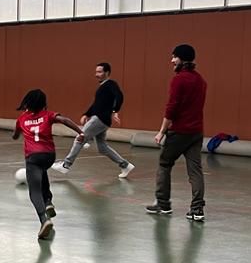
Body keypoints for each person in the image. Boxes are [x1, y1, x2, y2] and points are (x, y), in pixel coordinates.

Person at [12, 89, 84, 240]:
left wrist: (17, 132)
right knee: (42, 171)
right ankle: (48, 201)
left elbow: (15, 136)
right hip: (49, 156)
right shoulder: (48, 115)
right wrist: (80, 132)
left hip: (33, 157)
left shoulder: (22, 119)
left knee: (34, 191)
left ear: (27, 103)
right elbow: (65, 120)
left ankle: (44, 220)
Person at [147, 44, 207, 221]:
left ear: (182, 59)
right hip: (196, 132)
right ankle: (197, 209)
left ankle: (163, 204)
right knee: (195, 171)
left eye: (174, 57)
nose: (172, 60)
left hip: (179, 132)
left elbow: (171, 108)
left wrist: (161, 131)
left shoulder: (179, 80)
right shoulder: (201, 80)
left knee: (164, 164)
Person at [52, 62, 135, 179]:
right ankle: (125, 165)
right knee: (102, 147)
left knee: (80, 138)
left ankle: (66, 165)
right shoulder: (103, 87)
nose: (96, 74)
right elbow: (97, 104)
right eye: (96, 72)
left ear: (107, 72)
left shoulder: (111, 84)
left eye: (100, 72)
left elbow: (120, 96)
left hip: (100, 119)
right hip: (102, 120)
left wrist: (115, 111)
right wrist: (87, 114)